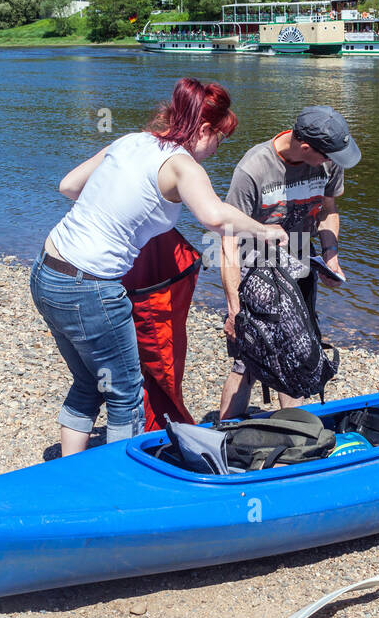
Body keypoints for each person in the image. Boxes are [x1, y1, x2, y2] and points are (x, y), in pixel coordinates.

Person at [32, 79, 287, 455]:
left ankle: (71, 469)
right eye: (220, 138)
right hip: (90, 288)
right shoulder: (182, 165)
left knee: (88, 382)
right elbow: (214, 217)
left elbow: (69, 186)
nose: (217, 149)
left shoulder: (132, 141)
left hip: (45, 272)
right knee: (126, 393)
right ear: (203, 130)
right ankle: (125, 483)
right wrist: (265, 230)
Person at [218, 106, 361, 419]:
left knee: (296, 353)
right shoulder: (253, 170)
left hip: (300, 268)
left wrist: (330, 254)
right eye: (328, 156)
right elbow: (227, 240)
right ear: (306, 148)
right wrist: (234, 310)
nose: (334, 163)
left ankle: (294, 433)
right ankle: (224, 437)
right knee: (247, 363)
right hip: (255, 272)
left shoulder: (329, 162)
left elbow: (327, 209)